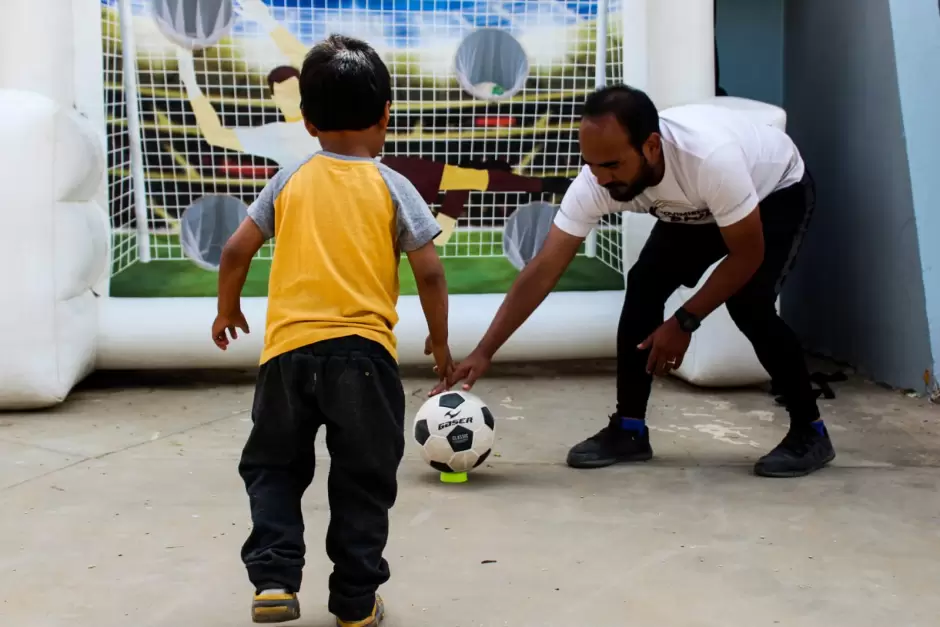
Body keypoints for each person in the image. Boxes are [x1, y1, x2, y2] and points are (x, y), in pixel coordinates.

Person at [435, 84, 836, 479]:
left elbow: (747, 255)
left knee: (749, 304)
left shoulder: (710, 161)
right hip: (693, 207)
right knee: (644, 283)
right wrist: (485, 351)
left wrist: (684, 322)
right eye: (592, 164)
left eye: (612, 165)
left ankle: (810, 431)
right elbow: (544, 266)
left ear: (651, 147)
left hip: (773, 193)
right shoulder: (598, 180)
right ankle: (629, 430)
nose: (602, 178)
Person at [211, 34, 451, 625]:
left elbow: (236, 249)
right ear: (386, 118)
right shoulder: (393, 186)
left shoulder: (289, 180)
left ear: (308, 122)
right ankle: (354, 602)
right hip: (364, 360)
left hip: (287, 357)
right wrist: (440, 340)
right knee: (363, 480)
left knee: (273, 467)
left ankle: (273, 580)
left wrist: (227, 308)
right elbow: (430, 273)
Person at [176, 0, 569, 246]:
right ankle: (446, 222)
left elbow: (304, 53)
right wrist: (189, 76)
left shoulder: (326, 102)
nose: (291, 93)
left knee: (468, 177)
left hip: (379, 170)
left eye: (297, 85)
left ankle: (542, 186)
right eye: (284, 90)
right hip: (330, 192)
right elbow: (215, 134)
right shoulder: (274, 138)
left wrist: (265, 20)